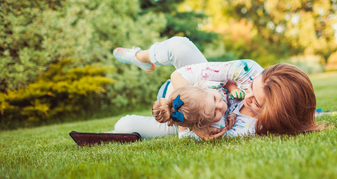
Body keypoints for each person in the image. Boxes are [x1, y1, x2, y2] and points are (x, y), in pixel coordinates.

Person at [113, 36, 323, 139]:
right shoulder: (248, 70)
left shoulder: (249, 128)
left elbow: (186, 134)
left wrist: (194, 125)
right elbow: (179, 75)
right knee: (180, 46)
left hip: (182, 115)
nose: (246, 94)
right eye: (251, 87)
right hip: (193, 86)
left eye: (255, 102)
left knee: (123, 125)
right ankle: (140, 57)